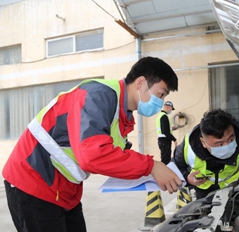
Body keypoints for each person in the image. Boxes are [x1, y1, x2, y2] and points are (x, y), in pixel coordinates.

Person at [2, 56, 183, 232]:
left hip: (64, 187)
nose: (160, 103)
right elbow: (93, 155)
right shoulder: (97, 97)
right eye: (160, 94)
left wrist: (181, 179)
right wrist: (151, 166)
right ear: (141, 83)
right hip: (33, 180)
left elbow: (116, 158)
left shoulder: (121, 113)